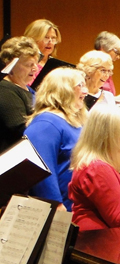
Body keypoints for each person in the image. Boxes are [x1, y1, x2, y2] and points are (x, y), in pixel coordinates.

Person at [24, 68, 87, 210]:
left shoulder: (75, 122)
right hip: (60, 210)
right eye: (80, 85)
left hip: (78, 207)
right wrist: (56, 205)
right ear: (62, 89)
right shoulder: (46, 123)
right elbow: (41, 170)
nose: (85, 91)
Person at [0, 37, 39, 152]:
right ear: (10, 64)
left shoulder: (28, 89)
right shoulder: (5, 90)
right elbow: (21, 129)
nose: (35, 69)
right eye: (29, 65)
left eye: (35, 64)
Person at [94, 31, 120, 97]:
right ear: (103, 48)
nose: (118, 57)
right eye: (116, 52)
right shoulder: (93, 68)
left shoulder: (107, 69)